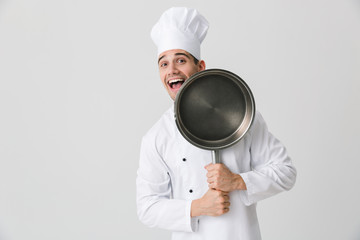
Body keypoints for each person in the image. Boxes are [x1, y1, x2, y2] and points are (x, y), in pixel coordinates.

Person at [136, 7, 297, 240]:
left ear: (200, 67)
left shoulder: (242, 117)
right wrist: (198, 207)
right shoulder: (157, 137)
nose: (172, 70)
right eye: (163, 63)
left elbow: (286, 172)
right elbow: (147, 207)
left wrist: (239, 180)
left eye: (180, 60)